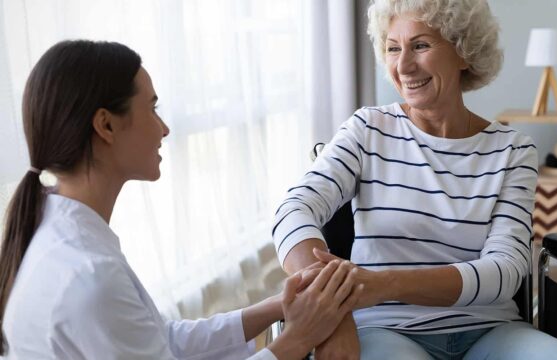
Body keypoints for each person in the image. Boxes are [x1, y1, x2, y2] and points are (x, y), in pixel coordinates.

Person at [0, 40, 363, 360]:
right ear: (106, 125)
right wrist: (297, 340)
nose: (164, 129)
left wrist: (276, 308)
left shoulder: (57, 229)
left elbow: (161, 339)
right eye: (152, 108)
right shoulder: (88, 277)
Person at [272, 0, 557, 359]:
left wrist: (382, 284)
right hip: (385, 327)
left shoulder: (512, 151)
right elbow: (293, 209)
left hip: (490, 329)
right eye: (393, 48)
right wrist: (334, 311)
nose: (403, 66)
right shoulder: (367, 129)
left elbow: (505, 270)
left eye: (420, 45)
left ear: (464, 52)